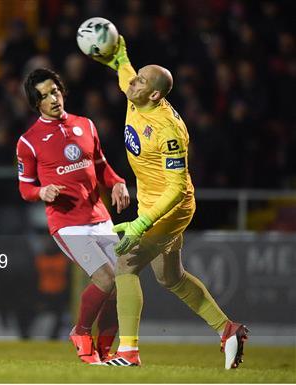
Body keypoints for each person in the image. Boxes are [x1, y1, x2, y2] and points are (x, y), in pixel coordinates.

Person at [89, 36, 249, 368]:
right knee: (170, 278)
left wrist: (142, 222)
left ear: (155, 95)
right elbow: (126, 73)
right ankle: (228, 329)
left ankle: (128, 352)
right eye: (136, 79)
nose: (133, 83)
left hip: (170, 208)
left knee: (126, 265)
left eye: (141, 82)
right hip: (151, 201)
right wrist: (118, 56)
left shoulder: (168, 130)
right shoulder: (137, 94)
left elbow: (176, 189)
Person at [17, 68, 130, 363]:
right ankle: (80, 332)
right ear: (36, 103)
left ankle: (105, 350)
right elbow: (25, 187)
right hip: (68, 224)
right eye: (44, 96)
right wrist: (42, 193)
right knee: (105, 279)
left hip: (100, 216)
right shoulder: (28, 141)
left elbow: (102, 165)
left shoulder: (86, 125)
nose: (52, 99)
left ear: (62, 90)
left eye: (54, 91)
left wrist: (117, 182)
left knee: (123, 284)